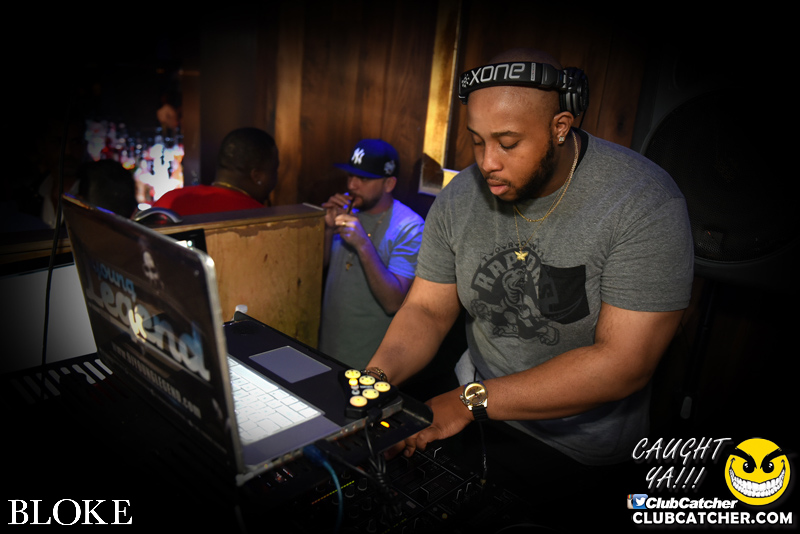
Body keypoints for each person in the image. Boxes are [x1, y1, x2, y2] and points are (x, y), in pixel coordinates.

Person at [363, 49, 694, 517]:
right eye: (477, 141)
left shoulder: (642, 202)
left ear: (560, 126)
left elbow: (623, 363)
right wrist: (373, 382)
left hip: (577, 449)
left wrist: (468, 402)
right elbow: (426, 310)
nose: (487, 162)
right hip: (476, 412)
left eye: (507, 143)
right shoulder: (461, 198)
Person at [318, 139, 424, 370]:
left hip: (370, 361)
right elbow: (319, 270)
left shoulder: (410, 227)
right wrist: (326, 230)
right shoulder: (346, 210)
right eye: (350, 175)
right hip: (327, 348)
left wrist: (363, 245)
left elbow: (393, 302)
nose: (352, 185)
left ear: (389, 183)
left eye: (364, 179)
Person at [150, 127, 278, 215]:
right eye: (275, 170)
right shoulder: (261, 218)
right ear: (257, 176)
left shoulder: (168, 201)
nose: (276, 179)